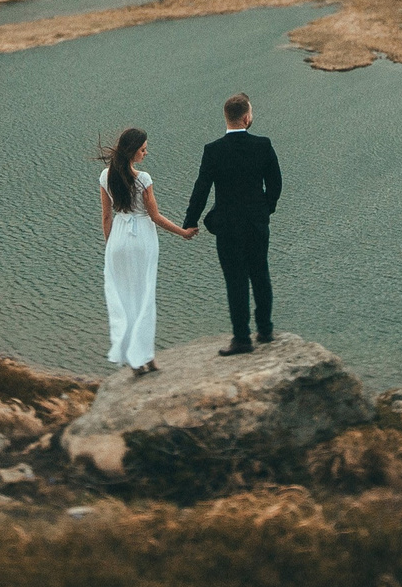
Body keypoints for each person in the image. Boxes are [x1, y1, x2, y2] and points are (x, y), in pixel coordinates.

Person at [181, 92, 282, 356]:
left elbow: (201, 189)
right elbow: (275, 184)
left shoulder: (213, 150)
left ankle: (241, 339)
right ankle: (266, 329)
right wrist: (265, 209)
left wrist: (189, 222)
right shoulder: (263, 145)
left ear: (226, 118)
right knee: (260, 273)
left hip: (227, 225)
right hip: (257, 223)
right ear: (247, 117)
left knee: (235, 280)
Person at [98, 126, 195, 375]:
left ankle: (135, 360)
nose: (146, 153)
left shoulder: (105, 176)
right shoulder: (143, 179)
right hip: (141, 240)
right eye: (143, 149)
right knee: (144, 299)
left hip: (118, 239)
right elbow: (155, 217)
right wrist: (182, 232)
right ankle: (147, 357)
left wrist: (110, 248)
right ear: (132, 151)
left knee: (127, 299)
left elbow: (106, 217)